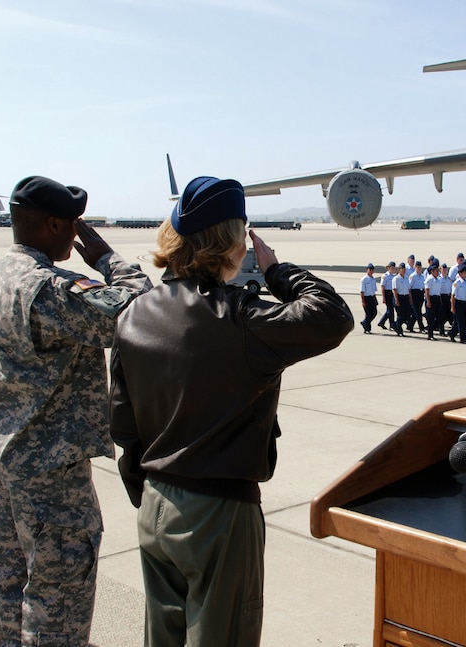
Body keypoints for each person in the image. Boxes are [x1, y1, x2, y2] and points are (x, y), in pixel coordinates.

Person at [108, 175, 353, 647]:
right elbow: (332, 315)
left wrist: (150, 490)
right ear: (234, 245)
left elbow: (124, 425)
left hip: (155, 502)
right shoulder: (241, 318)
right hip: (218, 512)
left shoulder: (134, 313)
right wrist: (279, 272)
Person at [0, 175, 152, 645]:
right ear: (52, 224)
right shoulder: (49, 289)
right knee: (59, 595)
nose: (76, 234)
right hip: (47, 474)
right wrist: (108, 259)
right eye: (73, 225)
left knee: (10, 579)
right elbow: (144, 310)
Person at [391, 262, 410, 337]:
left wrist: (410, 298)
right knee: (400, 315)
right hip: (399, 297)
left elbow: (408, 289)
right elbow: (395, 290)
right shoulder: (396, 279)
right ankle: (399, 331)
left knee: (406, 315)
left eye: (404, 269)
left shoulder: (406, 278)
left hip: (405, 297)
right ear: (399, 270)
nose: (404, 270)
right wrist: (397, 300)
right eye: (402, 269)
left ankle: (395, 325)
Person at [377, 261, 396, 330]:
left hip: (392, 293)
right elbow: (382, 287)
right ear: (388, 268)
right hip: (387, 293)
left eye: (393, 268)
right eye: (391, 268)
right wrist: (383, 297)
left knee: (390, 310)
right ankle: (391, 324)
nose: (392, 269)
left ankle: (382, 322)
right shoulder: (385, 276)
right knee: (390, 310)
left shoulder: (394, 276)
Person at [358, 262, 377, 333]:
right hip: (366, 298)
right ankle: (367, 329)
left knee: (374, 313)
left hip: (372, 298)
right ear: (367, 270)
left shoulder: (373, 279)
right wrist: (363, 301)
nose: (371, 271)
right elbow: (362, 291)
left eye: (372, 269)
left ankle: (364, 322)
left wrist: (375, 299)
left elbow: (374, 291)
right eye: (370, 269)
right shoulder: (364, 279)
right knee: (368, 314)